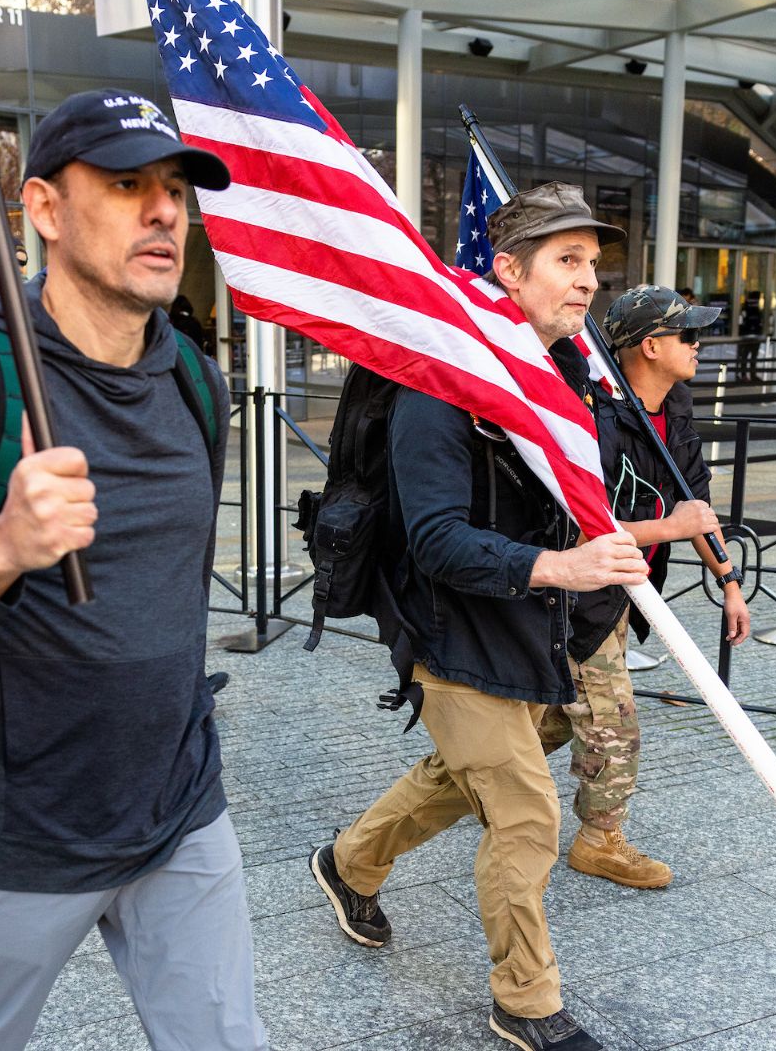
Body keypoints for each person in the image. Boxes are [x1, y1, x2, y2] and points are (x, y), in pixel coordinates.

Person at [0, 89, 263, 1051]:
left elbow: (171, 600)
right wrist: (0, 553)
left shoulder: (198, 382)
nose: (164, 212)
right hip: (13, 831)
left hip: (178, 808)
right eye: (124, 185)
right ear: (41, 209)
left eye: (175, 191)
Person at [310, 183, 642, 1051]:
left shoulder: (563, 373)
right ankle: (526, 1004)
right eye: (567, 262)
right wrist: (558, 565)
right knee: (525, 814)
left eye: (593, 266)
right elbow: (434, 540)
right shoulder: (441, 384)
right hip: (450, 629)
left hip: (531, 625)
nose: (587, 283)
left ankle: (348, 864)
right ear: (507, 270)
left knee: (464, 777)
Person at [545, 284, 749, 893]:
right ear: (651, 345)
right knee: (614, 722)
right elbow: (578, 524)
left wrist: (729, 581)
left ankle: (482, 778)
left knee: (554, 720)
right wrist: (670, 527)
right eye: (689, 335)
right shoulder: (598, 419)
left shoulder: (675, 407)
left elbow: (697, 504)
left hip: (619, 597)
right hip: (577, 593)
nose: (699, 346)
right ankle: (598, 840)